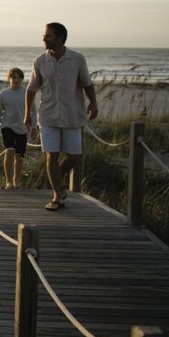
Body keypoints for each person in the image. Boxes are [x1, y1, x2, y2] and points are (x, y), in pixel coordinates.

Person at [24, 22, 99, 211]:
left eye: (48, 36)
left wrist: (94, 103)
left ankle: (58, 178)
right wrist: (27, 114)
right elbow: (31, 89)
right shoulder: (40, 61)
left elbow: (87, 84)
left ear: (60, 38)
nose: (44, 39)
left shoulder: (77, 59)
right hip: (48, 116)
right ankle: (57, 195)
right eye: (44, 35)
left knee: (74, 156)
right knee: (51, 156)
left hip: (73, 115)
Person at [0, 67, 33, 189]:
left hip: (22, 128)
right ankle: (8, 181)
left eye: (19, 78)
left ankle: (16, 181)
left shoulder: (27, 93)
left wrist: (33, 126)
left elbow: (33, 112)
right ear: (9, 78)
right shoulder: (3, 94)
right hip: (7, 126)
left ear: (22, 79)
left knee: (19, 156)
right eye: (13, 77)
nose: (16, 80)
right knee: (10, 151)